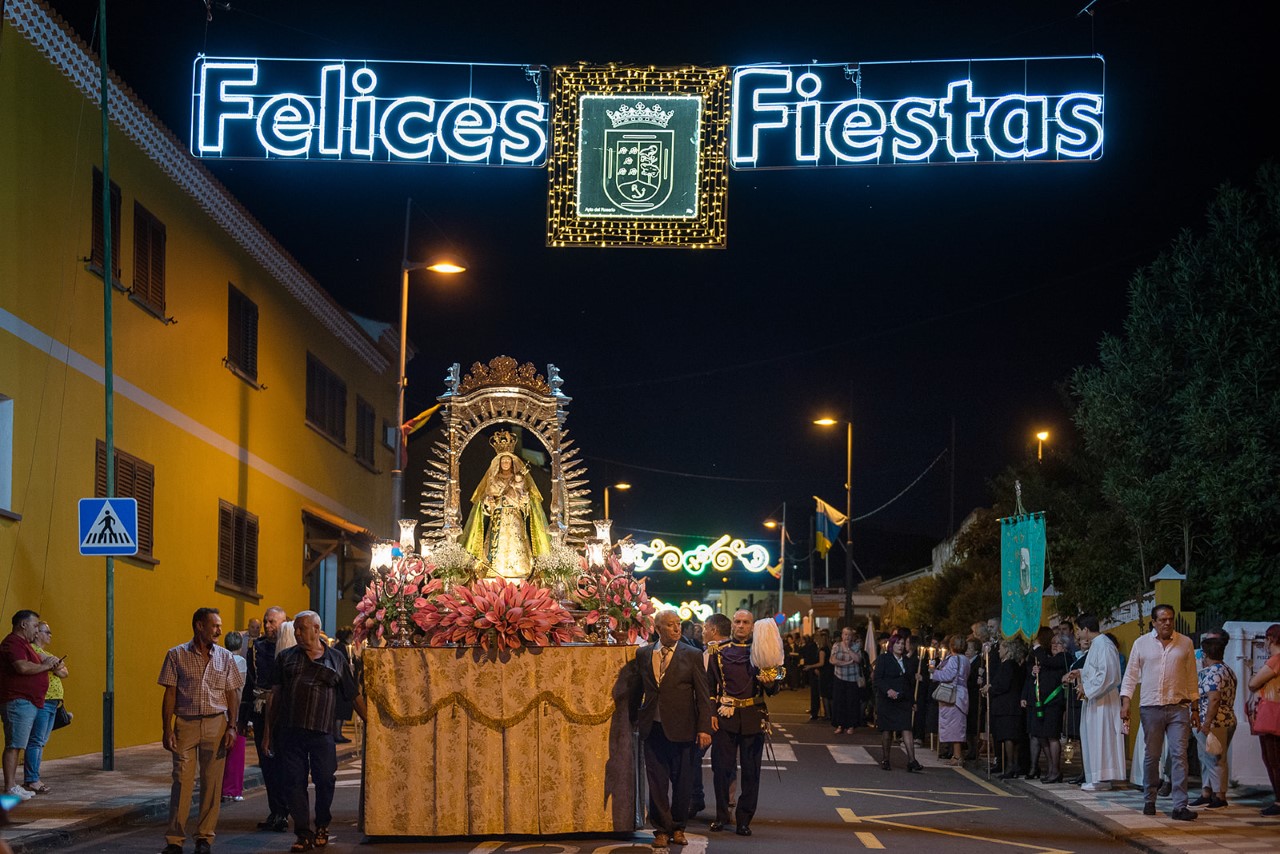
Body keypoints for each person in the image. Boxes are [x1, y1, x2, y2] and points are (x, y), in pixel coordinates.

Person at [264, 611, 365, 852]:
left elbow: (352, 695)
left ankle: (322, 824)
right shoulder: (286, 658)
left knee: (325, 780)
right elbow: (275, 695)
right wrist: (268, 732)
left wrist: (370, 720)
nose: (297, 633)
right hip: (290, 732)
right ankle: (303, 833)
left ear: (316, 629)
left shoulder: (336, 659)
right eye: (295, 629)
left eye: (302, 628)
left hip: (322, 733)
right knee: (294, 783)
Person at [158, 607, 244, 854]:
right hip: (185, 724)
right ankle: (174, 840)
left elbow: (232, 693)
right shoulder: (176, 655)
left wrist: (232, 726)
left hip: (217, 723)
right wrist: (166, 728)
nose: (219, 630)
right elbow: (170, 693)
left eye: (220, 625)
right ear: (199, 626)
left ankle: (204, 837)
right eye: (214, 625)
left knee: (212, 782)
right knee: (182, 781)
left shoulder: (225, 657)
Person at [630, 609, 712, 850]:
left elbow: (703, 695)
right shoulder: (644, 653)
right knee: (656, 782)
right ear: (657, 628)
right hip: (653, 728)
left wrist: (704, 727)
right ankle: (661, 829)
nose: (677, 629)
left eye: (678, 624)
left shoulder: (693, 654)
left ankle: (678, 826)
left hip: (684, 728)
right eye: (670, 625)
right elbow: (638, 689)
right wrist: (634, 717)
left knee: (683, 782)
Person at [706, 610, 781, 836]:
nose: (740, 626)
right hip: (725, 717)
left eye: (745, 622)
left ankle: (744, 819)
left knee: (751, 772)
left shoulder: (763, 650)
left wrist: (769, 683)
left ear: (752, 627)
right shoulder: (717, 650)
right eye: (737, 622)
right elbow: (710, 688)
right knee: (721, 769)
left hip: (752, 716)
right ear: (732, 625)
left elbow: (775, 689)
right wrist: (710, 713)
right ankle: (721, 816)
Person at [1121, 604, 1198, 820]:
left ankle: (1180, 806)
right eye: (1162, 619)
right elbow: (1130, 676)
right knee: (1152, 756)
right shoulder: (1141, 644)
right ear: (1153, 622)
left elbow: (1192, 677)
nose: (1167, 623)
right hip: (1151, 707)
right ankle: (1149, 799)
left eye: (1170, 619)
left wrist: (1195, 707)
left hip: (1179, 707)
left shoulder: (1185, 643)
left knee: (1179, 755)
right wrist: (1125, 702)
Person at [460, 430, 552, 580]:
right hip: (498, 517)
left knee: (516, 543)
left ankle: (519, 571)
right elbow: (485, 500)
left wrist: (522, 498)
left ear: (512, 462)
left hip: (514, 517)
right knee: (496, 545)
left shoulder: (519, 479)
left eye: (508, 461)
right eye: (503, 461)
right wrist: (488, 502)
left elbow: (525, 503)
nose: (505, 463)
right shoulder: (492, 479)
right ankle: (494, 571)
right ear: (499, 463)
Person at [1, 611, 65, 800]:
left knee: (19, 744)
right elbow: (22, 667)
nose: (36, 630)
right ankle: (11, 786)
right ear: (23, 625)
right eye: (35, 626)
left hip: (28, 702)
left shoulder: (24, 645)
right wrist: (46, 666)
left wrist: (47, 663)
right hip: (18, 700)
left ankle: (13, 785)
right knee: (14, 744)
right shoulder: (13, 643)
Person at [1063, 614, 1125, 792]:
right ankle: (1097, 777)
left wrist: (1087, 688)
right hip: (1096, 699)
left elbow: (1109, 675)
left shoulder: (1104, 645)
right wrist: (1081, 673)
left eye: (1078, 630)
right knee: (1094, 736)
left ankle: (1101, 778)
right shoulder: (1097, 645)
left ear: (1086, 630)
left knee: (1101, 736)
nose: (1077, 634)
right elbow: (1097, 670)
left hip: (1103, 701)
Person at [246, 606, 289, 832]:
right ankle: (276, 811)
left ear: (284, 623)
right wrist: (244, 720)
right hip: (262, 709)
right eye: (266, 622)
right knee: (267, 763)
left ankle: (286, 810)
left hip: (285, 712)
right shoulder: (257, 648)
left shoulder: (291, 647)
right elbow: (250, 683)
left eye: (272, 622)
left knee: (285, 763)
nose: (268, 626)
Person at [691, 613, 731, 817]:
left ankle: (720, 806)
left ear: (714, 629)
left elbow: (706, 689)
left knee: (720, 763)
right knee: (722, 763)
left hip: (724, 715)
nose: (702, 631)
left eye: (705, 627)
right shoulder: (705, 652)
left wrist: (776, 675)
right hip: (720, 715)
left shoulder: (730, 652)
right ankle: (722, 806)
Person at [22, 622, 68, 795]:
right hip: (43, 701)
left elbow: (64, 672)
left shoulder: (47, 654)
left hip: (52, 702)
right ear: (36, 633)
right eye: (46, 631)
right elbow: (57, 668)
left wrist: (56, 666)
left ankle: (33, 777)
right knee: (36, 740)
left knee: (41, 741)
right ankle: (32, 779)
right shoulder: (33, 651)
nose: (50, 634)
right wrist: (54, 666)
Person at [1191, 635, 1235, 809]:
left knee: (1215, 758)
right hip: (1227, 720)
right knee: (1208, 757)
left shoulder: (1212, 673)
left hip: (1214, 723)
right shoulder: (1227, 670)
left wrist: (1206, 724)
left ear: (1204, 654)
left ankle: (1219, 796)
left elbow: (1214, 699)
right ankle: (1207, 792)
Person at [1023, 628, 1069, 782]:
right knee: (1043, 737)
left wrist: (1037, 647)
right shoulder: (1048, 659)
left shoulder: (1064, 658)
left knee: (1052, 737)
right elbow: (1040, 668)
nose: (1055, 645)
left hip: (1054, 703)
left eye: (1059, 643)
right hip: (1042, 703)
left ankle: (1056, 770)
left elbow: (1048, 662)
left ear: (1066, 647)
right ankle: (1051, 768)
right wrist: (1034, 671)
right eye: (1053, 643)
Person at [1246, 623, 1280, 818]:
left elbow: (1253, 683)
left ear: (1271, 639)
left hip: (1272, 714)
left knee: (1273, 759)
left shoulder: (1275, 660)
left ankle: (1278, 800)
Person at [874, 634, 921, 772]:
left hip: (903, 699)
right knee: (887, 730)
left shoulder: (907, 661)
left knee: (907, 728)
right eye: (898, 643)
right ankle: (886, 759)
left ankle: (912, 760)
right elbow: (878, 678)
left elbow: (909, 683)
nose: (900, 646)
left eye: (903, 643)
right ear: (892, 645)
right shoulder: (883, 659)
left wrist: (913, 700)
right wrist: (888, 690)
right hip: (887, 700)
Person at [985, 638, 1025, 778]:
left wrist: (990, 688)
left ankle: (1010, 766)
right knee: (1008, 737)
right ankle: (1011, 765)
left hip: (1007, 707)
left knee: (1009, 737)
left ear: (1007, 650)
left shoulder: (1008, 665)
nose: (999, 650)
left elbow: (1003, 685)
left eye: (1001, 648)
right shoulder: (1009, 665)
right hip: (1007, 706)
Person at [931, 634, 971, 766]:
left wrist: (933, 672)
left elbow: (948, 675)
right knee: (958, 726)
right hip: (962, 694)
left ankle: (957, 756)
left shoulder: (954, 659)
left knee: (954, 727)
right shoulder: (965, 659)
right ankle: (956, 755)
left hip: (953, 695)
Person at [220, 632, 249, 803]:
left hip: (219, 710)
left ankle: (220, 787)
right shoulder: (240, 662)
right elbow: (238, 689)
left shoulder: (220, 658)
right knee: (236, 753)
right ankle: (232, 789)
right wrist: (237, 715)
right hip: (234, 712)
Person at [830, 627, 864, 734]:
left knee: (852, 702)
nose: (847, 637)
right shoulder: (836, 645)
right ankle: (840, 725)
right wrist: (847, 663)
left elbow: (858, 659)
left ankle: (851, 725)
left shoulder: (856, 646)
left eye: (849, 635)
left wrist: (849, 649)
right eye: (845, 634)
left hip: (852, 679)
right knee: (839, 702)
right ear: (842, 635)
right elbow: (832, 660)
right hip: (839, 677)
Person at [800, 634, 820, 717]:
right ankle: (814, 710)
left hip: (814, 669)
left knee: (815, 692)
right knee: (814, 691)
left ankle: (815, 711)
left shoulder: (813, 646)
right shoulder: (813, 646)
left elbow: (804, 654)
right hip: (812, 668)